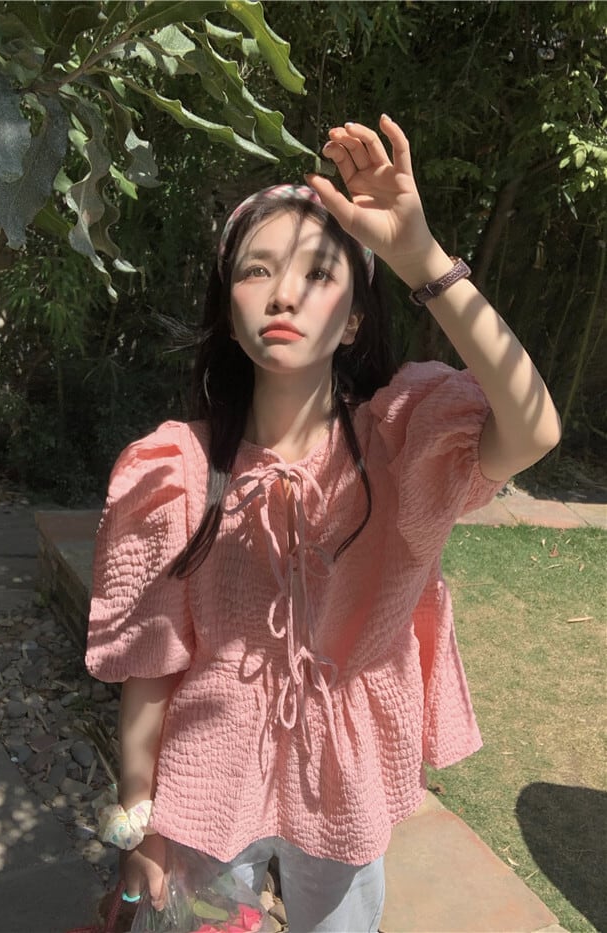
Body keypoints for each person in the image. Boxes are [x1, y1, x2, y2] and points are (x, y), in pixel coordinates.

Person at [85, 115, 561, 932]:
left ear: (354, 320)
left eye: (317, 272)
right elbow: (153, 661)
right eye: (257, 270)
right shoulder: (175, 470)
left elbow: (533, 427)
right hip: (208, 776)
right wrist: (140, 818)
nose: (283, 293)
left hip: (348, 781)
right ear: (228, 311)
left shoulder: (402, 443)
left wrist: (422, 258)